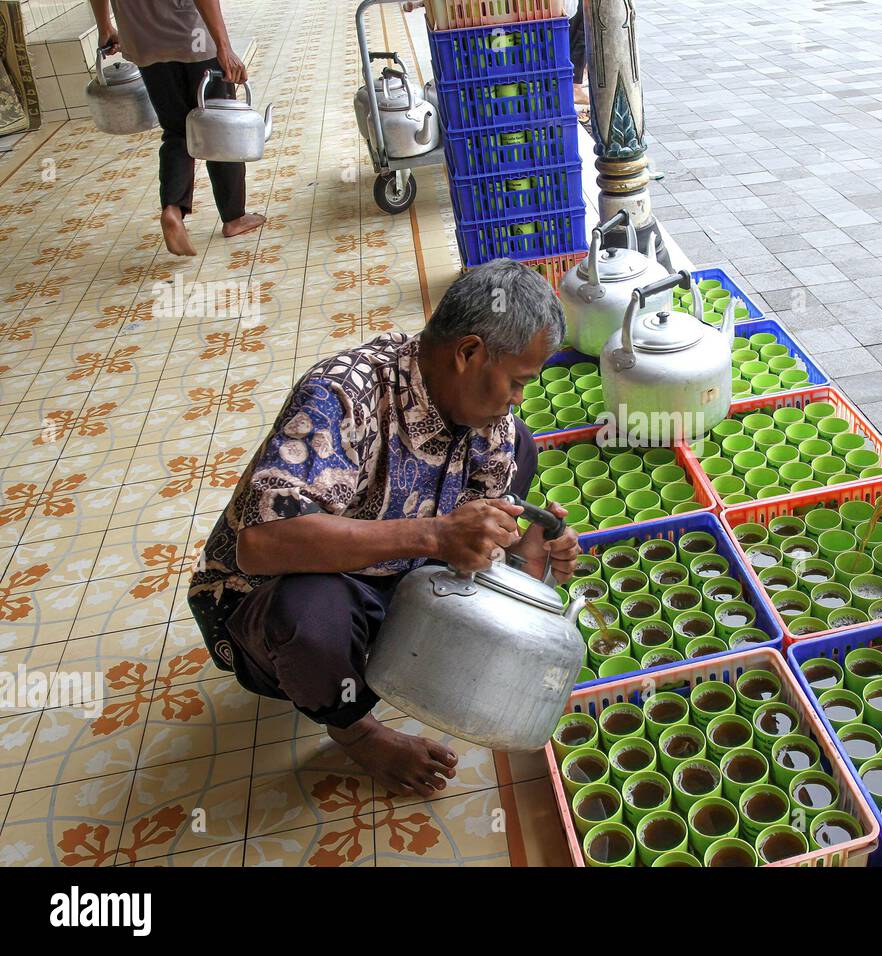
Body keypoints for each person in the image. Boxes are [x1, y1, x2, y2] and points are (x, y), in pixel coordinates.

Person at [187, 260, 580, 797]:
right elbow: (260, 544)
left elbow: (476, 541)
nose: (518, 399)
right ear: (467, 353)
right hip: (268, 603)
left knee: (521, 447)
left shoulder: (493, 428)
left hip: (396, 579)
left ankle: (392, 640)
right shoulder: (343, 395)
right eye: (516, 382)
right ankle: (355, 731)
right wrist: (436, 535)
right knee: (312, 614)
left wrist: (524, 552)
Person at [90, 0, 265, 256]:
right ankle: (234, 217)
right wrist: (224, 47)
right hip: (191, 36)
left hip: (142, 40)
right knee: (220, 128)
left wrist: (104, 26)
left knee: (177, 130)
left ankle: (173, 209)